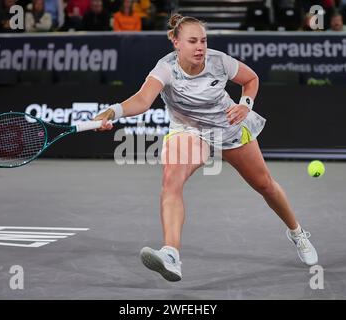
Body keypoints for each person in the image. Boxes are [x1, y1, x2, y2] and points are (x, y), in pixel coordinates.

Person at [92, 14, 319, 282]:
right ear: (176, 42)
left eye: (203, 40)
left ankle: (297, 233)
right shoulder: (165, 69)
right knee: (171, 181)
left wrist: (245, 104)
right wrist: (112, 112)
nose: (200, 47)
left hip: (227, 127)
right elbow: (142, 100)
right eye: (192, 41)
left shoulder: (219, 61)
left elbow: (251, 79)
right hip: (188, 131)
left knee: (264, 185)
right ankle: (171, 254)